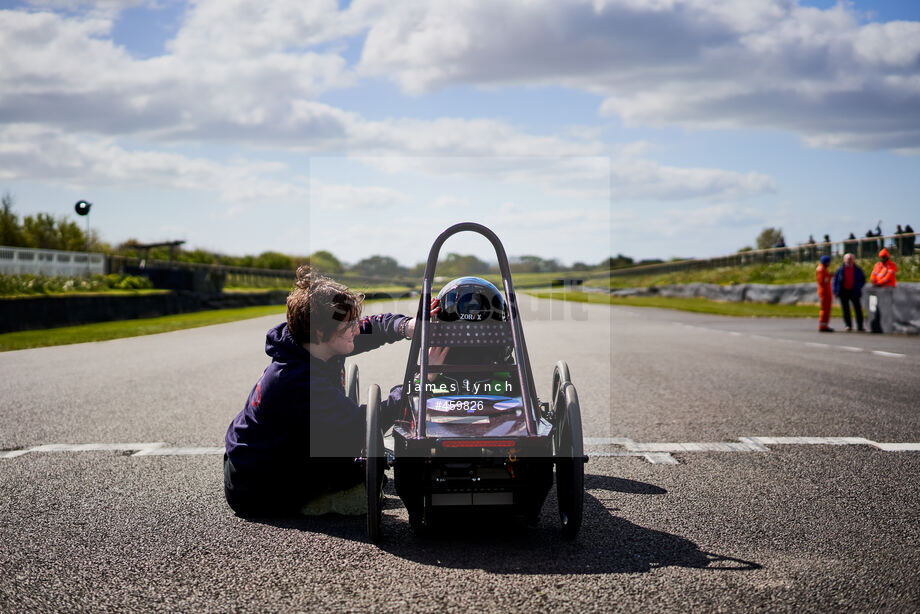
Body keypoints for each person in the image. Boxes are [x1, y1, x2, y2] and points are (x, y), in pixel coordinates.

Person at [223, 267, 444, 517]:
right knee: (364, 480)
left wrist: (408, 326)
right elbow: (366, 425)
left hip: (263, 458)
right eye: (349, 325)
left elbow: (373, 327)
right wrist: (421, 380)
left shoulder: (314, 341)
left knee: (360, 466)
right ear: (320, 332)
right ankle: (320, 501)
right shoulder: (296, 380)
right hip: (257, 485)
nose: (356, 330)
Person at [832, 253, 865, 332]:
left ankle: (860, 326)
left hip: (854, 291)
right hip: (843, 291)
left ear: (853, 260)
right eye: (848, 259)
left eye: (851, 259)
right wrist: (836, 291)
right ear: (844, 260)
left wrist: (858, 286)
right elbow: (835, 281)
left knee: (858, 309)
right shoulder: (840, 269)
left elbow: (862, 279)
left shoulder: (857, 269)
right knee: (846, 309)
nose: (849, 261)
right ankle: (848, 325)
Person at [815, 255, 834, 332]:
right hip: (823, 292)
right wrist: (829, 277)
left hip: (827, 291)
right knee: (824, 309)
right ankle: (822, 325)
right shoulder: (820, 269)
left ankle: (825, 324)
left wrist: (829, 276)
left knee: (827, 308)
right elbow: (822, 281)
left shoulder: (824, 269)